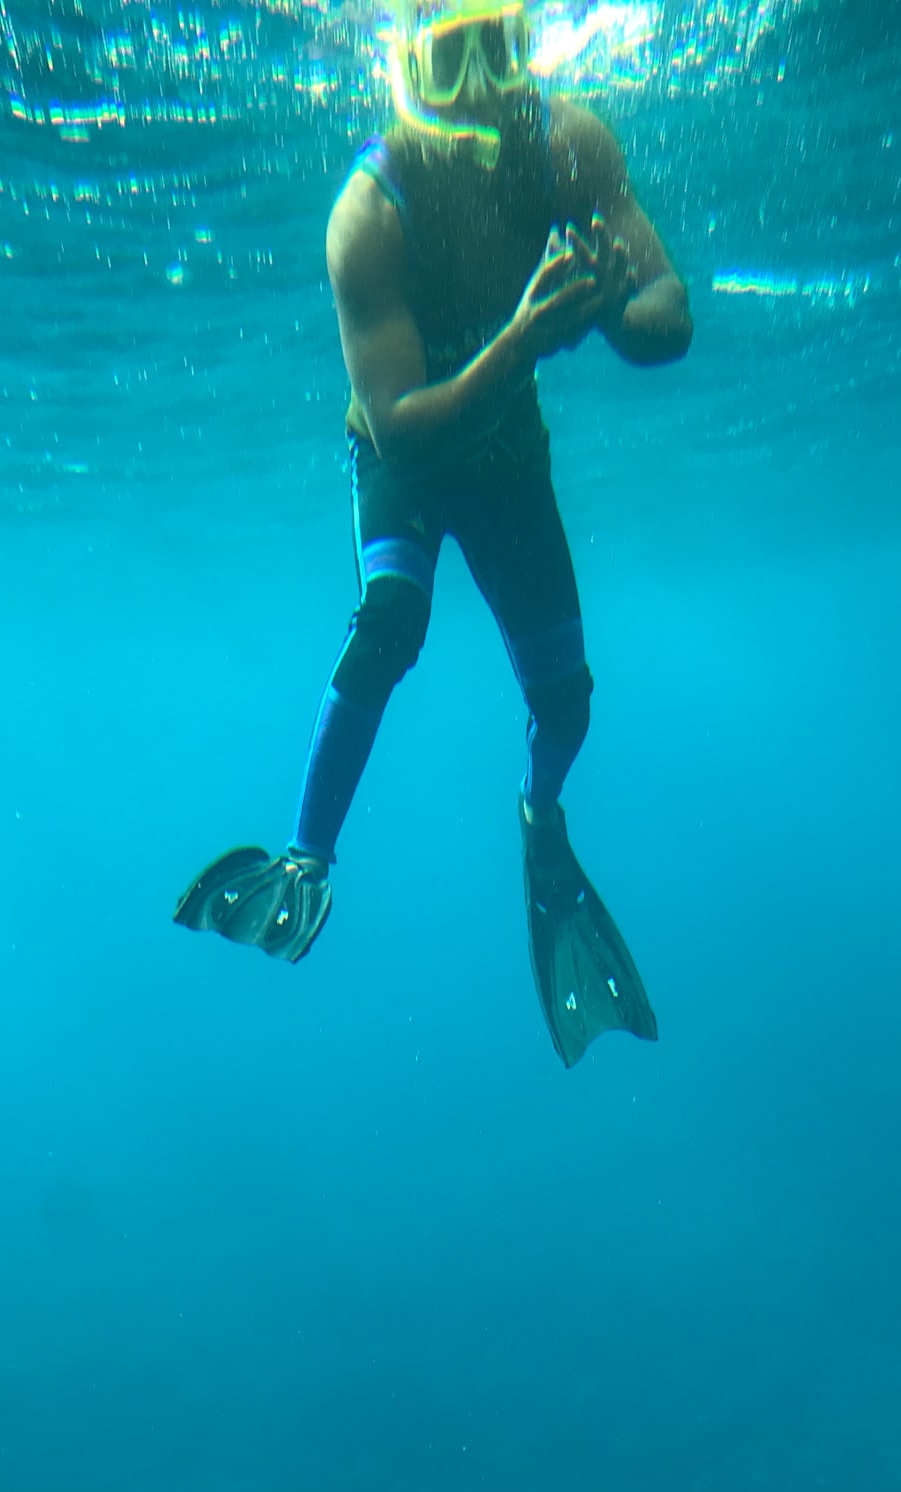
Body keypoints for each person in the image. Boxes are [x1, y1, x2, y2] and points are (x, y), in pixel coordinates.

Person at [175, 1, 692, 1066]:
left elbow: (666, 314)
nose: (487, 86)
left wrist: (610, 307)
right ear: (407, 68)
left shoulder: (569, 147)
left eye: (502, 48)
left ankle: (542, 825)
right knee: (391, 623)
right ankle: (303, 860)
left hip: (504, 458)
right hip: (408, 455)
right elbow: (401, 430)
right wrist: (525, 339)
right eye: (455, 59)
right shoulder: (369, 212)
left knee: (566, 699)